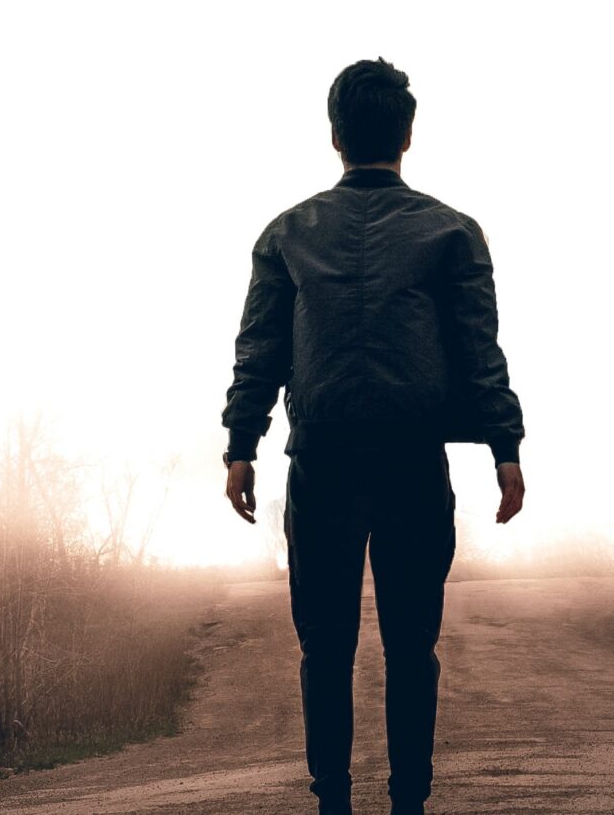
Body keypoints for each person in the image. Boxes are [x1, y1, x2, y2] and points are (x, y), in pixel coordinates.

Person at [220, 57, 527, 815]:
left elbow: (259, 350)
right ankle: (410, 803)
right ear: (408, 134)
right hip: (411, 463)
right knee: (410, 648)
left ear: (334, 135)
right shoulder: (453, 233)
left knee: (324, 648)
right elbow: (480, 350)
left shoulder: (287, 234)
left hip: (320, 462)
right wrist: (506, 448)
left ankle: (333, 801)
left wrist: (240, 444)